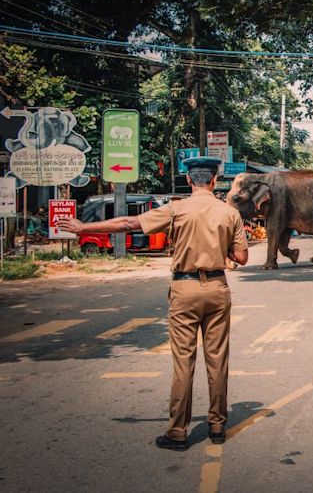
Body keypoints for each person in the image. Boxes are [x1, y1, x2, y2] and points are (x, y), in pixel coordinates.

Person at [62, 157, 249, 451]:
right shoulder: (230, 213)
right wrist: (222, 253)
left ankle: (177, 432)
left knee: (183, 361)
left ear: (190, 181)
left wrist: (84, 226)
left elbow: (127, 223)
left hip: (184, 289)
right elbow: (241, 258)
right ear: (213, 181)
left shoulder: (175, 209)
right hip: (216, 288)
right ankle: (216, 426)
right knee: (217, 360)